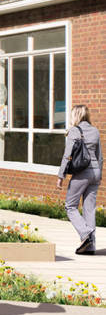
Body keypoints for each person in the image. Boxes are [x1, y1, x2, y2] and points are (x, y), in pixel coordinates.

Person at [57, 104, 101, 255]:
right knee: (89, 209)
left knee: (70, 206)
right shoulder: (95, 131)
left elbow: (67, 155)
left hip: (82, 173)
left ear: (75, 115)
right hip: (95, 173)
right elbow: (99, 156)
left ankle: (85, 233)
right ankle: (90, 247)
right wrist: (98, 173)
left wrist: (61, 175)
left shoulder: (74, 131)